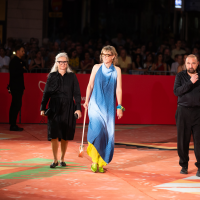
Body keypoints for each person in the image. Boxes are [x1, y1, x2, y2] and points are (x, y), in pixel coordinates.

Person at [83, 45, 124, 173]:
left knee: (107, 134)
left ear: (113, 56)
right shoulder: (96, 67)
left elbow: (119, 89)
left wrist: (120, 106)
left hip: (109, 107)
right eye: (103, 54)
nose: (105, 57)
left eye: (108, 55)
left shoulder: (117, 70)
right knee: (96, 131)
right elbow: (90, 85)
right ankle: (94, 161)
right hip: (95, 105)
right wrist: (86, 101)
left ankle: (101, 163)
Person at [40, 53, 82, 168]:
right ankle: (55, 160)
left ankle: (62, 159)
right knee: (53, 135)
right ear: (56, 63)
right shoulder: (52, 76)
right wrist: (42, 107)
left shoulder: (72, 76)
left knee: (65, 135)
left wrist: (78, 108)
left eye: (65, 62)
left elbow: (77, 93)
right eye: (60, 62)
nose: (62, 64)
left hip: (68, 107)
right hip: (54, 107)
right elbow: (46, 93)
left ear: (67, 63)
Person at [174, 54, 200, 177]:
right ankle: (184, 165)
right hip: (183, 112)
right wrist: (190, 82)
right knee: (182, 141)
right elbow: (176, 91)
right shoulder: (180, 76)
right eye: (188, 63)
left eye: (193, 63)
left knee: (199, 141)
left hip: (198, 113)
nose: (191, 66)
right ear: (185, 64)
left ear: (197, 64)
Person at [9, 45, 26, 131]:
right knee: (16, 105)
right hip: (15, 86)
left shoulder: (20, 61)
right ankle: (12, 124)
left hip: (19, 86)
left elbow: (25, 68)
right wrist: (22, 69)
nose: (24, 53)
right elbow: (14, 74)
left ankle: (13, 123)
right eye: (22, 51)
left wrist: (22, 68)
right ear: (18, 51)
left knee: (16, 104)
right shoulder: (14, 61)